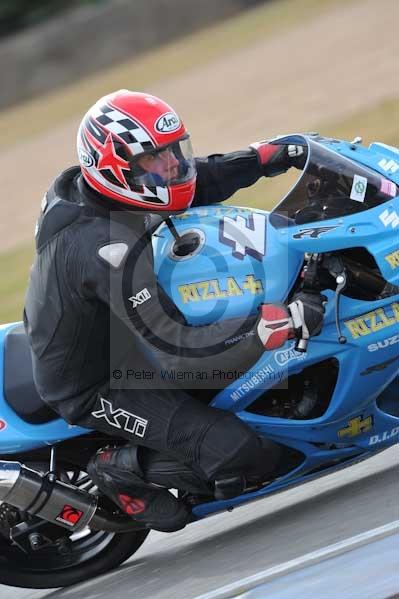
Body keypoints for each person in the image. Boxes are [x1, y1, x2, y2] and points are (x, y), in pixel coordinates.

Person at [24, 90, 325, 532]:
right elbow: (180, 353)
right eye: (155, 158)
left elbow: (197, 179)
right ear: (117, 167)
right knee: (246, 455)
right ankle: (118, 470)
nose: (171, 165)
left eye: (174, 151)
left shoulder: (101, 188)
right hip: (98, 381)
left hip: (121, 330)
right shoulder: (104, 248)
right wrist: (271, 326)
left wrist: (264, 159)